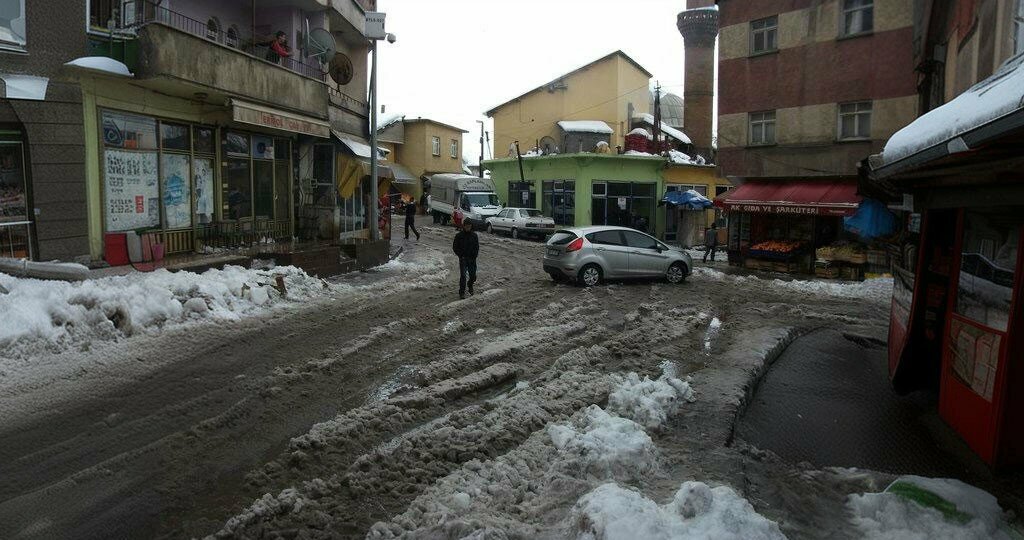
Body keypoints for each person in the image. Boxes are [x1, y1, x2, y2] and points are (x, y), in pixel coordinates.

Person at [452, 221, 479, 299]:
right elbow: (455, 247)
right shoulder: (459, 235)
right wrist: (460, 255)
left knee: (473, 276)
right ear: (463, 226)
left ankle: (470, 285)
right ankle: (462, 292)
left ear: (471, 226)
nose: (468, 227)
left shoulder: (474, 236)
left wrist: (475, 256)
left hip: (472, 259)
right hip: (463, 258)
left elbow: (476, 247)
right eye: (466, 226)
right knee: (463, 276)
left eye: (469, 226)